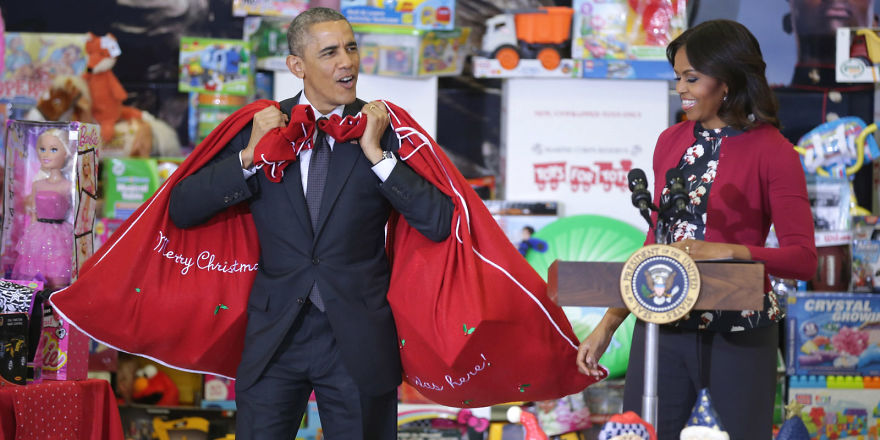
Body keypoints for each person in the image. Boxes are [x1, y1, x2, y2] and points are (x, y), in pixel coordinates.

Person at [168, 7, 454, 439]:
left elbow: (438, 221)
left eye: (351, 47)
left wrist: (377, 156)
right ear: (297, 66)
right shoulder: (261, 126)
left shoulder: (384, 130)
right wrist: (249, 157)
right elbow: (183, 207)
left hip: (358, 339)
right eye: (330, 52)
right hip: (275, 335)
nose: (347, 61)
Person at [576, 20, 817, 440]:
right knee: (641, 434)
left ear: (726, 81)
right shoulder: (670, 141)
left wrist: (727, 251)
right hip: (662, 323)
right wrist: (609, 324)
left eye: (692, 78)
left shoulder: (774, 152)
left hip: (740, 329)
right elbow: (655, 243)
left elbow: (803, 260)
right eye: (677, 79)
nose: (681, 89)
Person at [12, 128, 74, 289]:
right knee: (33, 273)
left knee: (58, 272)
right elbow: (33, 211)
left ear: (66, 153)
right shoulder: (37, 184)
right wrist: (30, 234)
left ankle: (54, 305)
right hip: (38, 231)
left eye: (53, 149)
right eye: (42, 149)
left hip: (59, 232)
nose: (46, 154)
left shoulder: (68, 186)